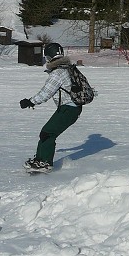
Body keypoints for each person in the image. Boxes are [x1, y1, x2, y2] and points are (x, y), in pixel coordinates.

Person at [20, 42, 83, 172]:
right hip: (70, 108)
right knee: (46, 132)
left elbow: (46, 92)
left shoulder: (58, 73)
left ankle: (45, 163)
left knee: (48, 133)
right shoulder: (68, 68)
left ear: (48, 57)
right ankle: (40, 159)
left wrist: (30, 101)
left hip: (69, 109)